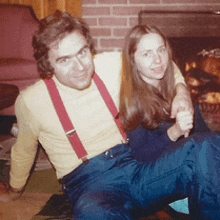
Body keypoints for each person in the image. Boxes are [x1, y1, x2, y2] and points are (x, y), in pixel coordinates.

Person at [0, 10, 199, 220]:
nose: (79, 67)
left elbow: (159, 63)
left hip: (134, 164)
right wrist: (15, 190)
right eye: (64, 60)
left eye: (82, 52)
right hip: (88, 184)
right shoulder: (32, 101)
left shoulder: (110, 65)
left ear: (90, 48)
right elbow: (23, 151)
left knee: (204, 149)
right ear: (48, 64)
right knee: (96, 213)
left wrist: (182, 92)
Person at [119, 24, 220, 219]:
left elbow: (205, 134)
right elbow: (141, 157)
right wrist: (175, 131)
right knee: (205, 148)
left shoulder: (177, 93)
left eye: (161, 50)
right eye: (147, 54)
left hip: (197, 174)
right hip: (162, 184)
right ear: (133, 60)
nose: (157, 60)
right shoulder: (131, 100)